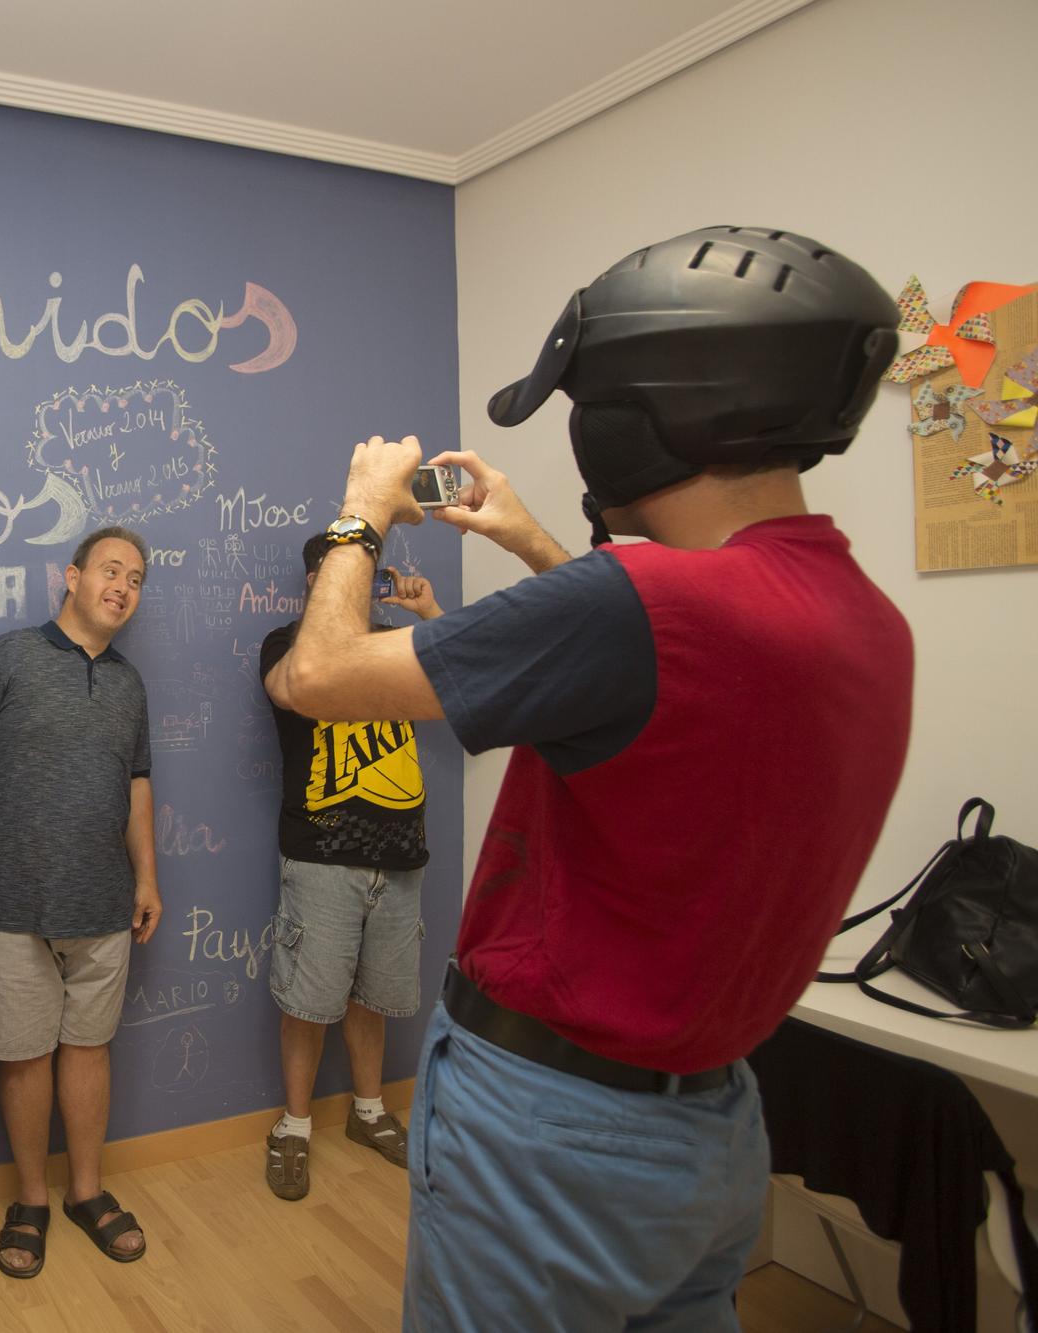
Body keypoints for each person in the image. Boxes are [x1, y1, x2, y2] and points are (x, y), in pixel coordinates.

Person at [269, 226, 911, 1332]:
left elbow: (319, 672)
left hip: (547, 1131)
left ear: (644, 414)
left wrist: (362, 506)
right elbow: (662, 676)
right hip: (711, 1127)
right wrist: (528, 543)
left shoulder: (637, 600)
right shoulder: (860, 621)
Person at [0, 525, 162, 1281]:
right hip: (8, 896)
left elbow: (138, 788)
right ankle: (30, 1199)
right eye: (110, 570)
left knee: (89, 1047)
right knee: (24, 1055)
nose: (122, 586)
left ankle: (85, 1192)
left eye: (136, 577)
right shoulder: (10, 655)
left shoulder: (129, 685)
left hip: (102, 899)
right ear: (72, 575)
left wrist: (148, 877)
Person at [260, 537, 441, 1200]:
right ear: (317, 578)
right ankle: (295, 1125)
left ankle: (369, 1112)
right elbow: (289, 695)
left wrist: (427, 618)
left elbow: (461, 687)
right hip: (322, 855)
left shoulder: (398, 642)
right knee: (308, 1004)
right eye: (342, 572)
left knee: (375, 997)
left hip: (400, 856)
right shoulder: (285, 642)